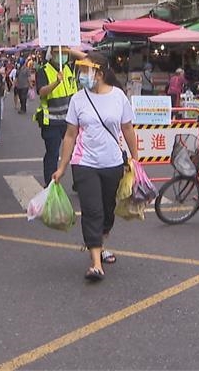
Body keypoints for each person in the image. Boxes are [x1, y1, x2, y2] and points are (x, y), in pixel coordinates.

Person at [51, 53, 138, 282]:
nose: (82, 75)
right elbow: (70, 135)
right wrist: (61, 167)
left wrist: (136, 160)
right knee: (92, 211)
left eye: (85, 71)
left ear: (99, 73)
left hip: (113, 163)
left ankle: (99, 243)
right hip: (84, 163)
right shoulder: (78, 99)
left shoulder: (118, 96)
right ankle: (96, 263)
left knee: (108, 211)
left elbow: (128, 129)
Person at [35, 46, 86, 187]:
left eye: (65, 53)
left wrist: (69, 50)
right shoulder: (43, 70)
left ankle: (78, 183)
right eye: (59, 53)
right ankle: (50, 184)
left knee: (76, 152)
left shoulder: (69, 67)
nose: (62, 56)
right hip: (52, 121)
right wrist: (56, 82)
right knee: (52, 153)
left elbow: (86, 58)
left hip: (70, 120)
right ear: (52, 54)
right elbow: (42, 91)